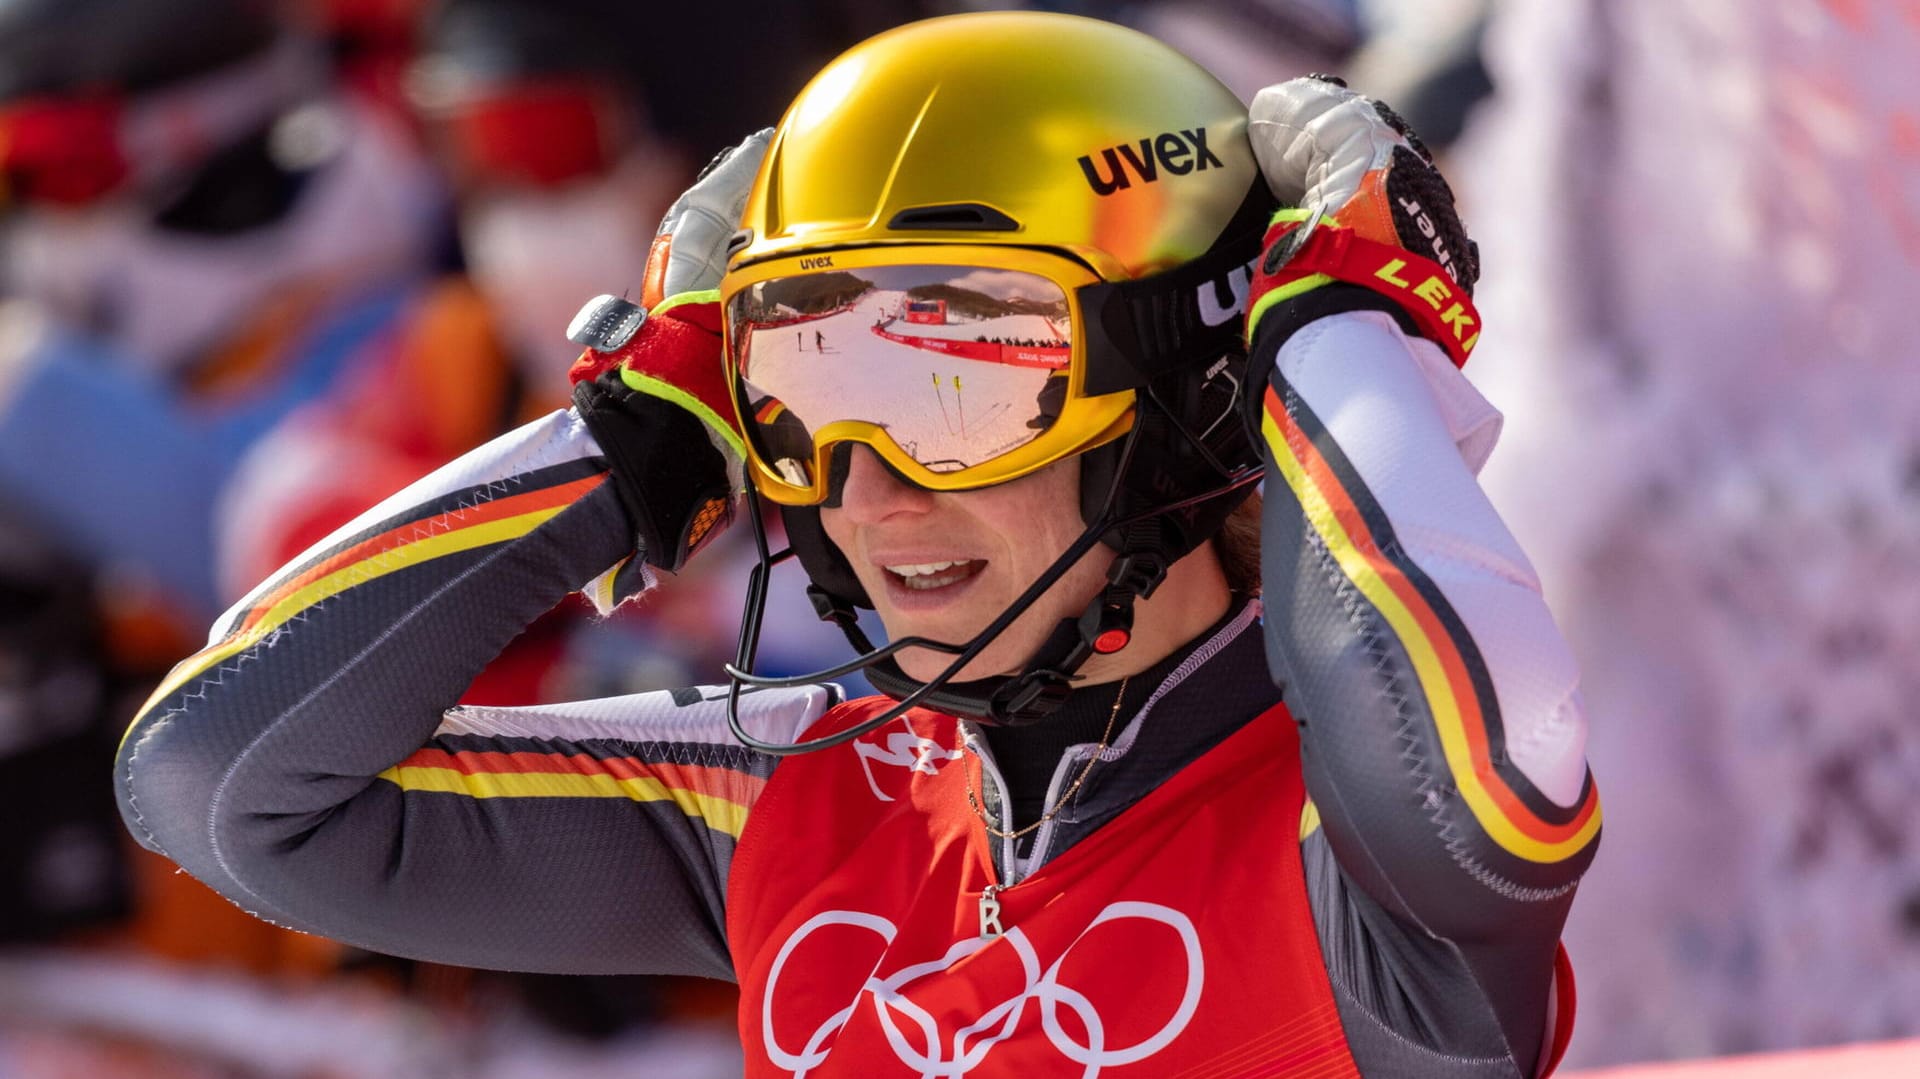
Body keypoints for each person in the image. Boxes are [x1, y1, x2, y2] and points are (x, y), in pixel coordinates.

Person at [116, 13, 1598, 1076]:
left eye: (957, 383)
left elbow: (1473, 795)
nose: (868, 493)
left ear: (1184, 406)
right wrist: (641, 437)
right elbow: (219, 782)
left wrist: (1343, 334)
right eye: (803, 384)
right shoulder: (806, 806)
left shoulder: (1360, 862)